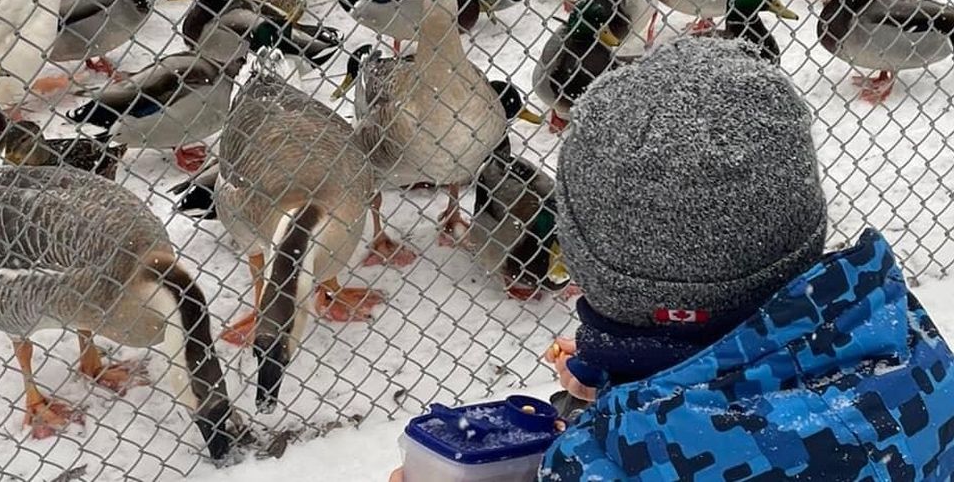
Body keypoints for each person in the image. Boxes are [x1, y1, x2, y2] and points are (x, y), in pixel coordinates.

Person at [391, 38, 954, 481]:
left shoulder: (604, 465)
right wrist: (638, 383)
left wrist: (616, 417)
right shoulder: (906, 344)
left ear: (588, 260)